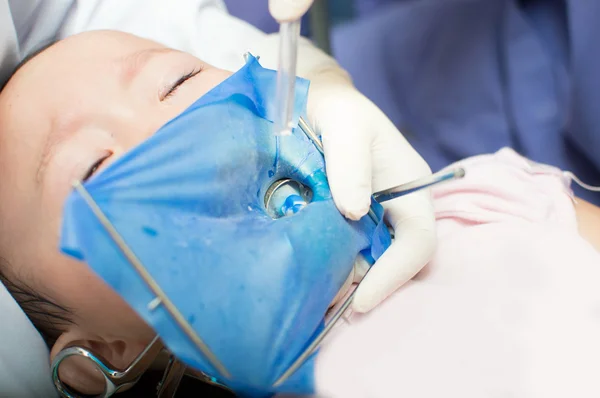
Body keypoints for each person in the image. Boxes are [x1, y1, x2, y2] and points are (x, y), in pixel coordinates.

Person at [1, 30, 600, 397]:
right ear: (103, 356)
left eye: (177, 81)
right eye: (95, 170)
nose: (170, 133)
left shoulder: (482, 200)